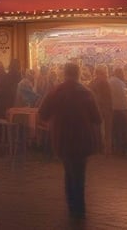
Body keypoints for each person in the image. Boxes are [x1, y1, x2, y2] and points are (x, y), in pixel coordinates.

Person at [38, 62, 102, 221]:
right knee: (79, 174)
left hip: (62, 139)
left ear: (63, 74)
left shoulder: (55, 92)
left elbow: (42, 113)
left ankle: (72, 207)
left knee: (68, 171)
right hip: (82, 140)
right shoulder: (86, 93)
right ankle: (79, 210)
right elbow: (97, 118)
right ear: (78, 74)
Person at [89, 65, 113, 155]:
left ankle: (98, 148)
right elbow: (109, 97)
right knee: (107, 130)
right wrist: (110, 107)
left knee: (96, 129)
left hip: (97, 108)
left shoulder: (92, 82)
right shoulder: (105, 82)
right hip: (105, 107)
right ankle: (107, 150)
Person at [108, 67, 127, 155]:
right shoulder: (121, 83)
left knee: (115, 129)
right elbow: (126, 95)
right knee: (124, 129)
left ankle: (116, 149)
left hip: (113, 109)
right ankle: (124, 149)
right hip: (123, 108)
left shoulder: (109, 81)